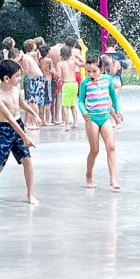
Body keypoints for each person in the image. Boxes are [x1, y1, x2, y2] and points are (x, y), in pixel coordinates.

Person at [0, 59, 42, 206]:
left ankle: (30, 194)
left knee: (27, 160)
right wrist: (25, 136)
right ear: (6, 78)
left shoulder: (16, 88)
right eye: (17, 76)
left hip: (18, 124)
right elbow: (9, 118)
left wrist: (34, 113)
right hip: (5, 129)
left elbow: (21, 103)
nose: (19, 78)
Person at [79, 57, 123, 190]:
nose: (91, 75)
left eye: (94, 71)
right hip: (92, 119)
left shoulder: (107, 80)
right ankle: (89, 176)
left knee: (111, 147)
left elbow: (113, 95)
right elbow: (80, 100)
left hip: (105, 118)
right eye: (88, 71)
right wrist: (83, 111)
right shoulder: (84, 83)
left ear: (101, 70)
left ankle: (113, 178)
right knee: (95, 150)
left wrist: (118, 109)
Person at [20, 39, 45, 128]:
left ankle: (35, 123)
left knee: (34, 101)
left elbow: (26, 71)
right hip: (36, 79)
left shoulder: (25, 58)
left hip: (37, 79)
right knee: (33, 101)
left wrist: (19, 66)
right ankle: (33, 122)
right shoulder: (26, 57)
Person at [57, 45, 81, 130]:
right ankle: (75, 122)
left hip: (66, 84)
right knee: (73, 105)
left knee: (65, 106)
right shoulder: (73, 61)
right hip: (74, 84)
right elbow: (84, 64)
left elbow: (59, 76)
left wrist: (54, 72)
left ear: (60, 55)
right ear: (71, 54)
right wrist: (79, 57)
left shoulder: (60, 64)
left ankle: (67, 124)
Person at [38, 43, 56, 125]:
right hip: (48, 81)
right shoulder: (49, 60)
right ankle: (48, 120)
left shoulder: (40, 60)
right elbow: (52, 70)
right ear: (48, 51)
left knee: (42, 102)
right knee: (49, 102)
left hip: (42, 81)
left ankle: (42, 120)